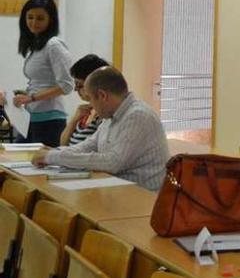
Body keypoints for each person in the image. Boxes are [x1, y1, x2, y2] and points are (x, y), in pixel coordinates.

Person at [31, 67, 170, 191]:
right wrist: (54, 153)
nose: (91, 105)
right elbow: (88, 145)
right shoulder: (112, 115)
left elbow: (112, 162)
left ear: (103, 96)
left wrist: (54, 157)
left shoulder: (138, 116)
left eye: (91, 99)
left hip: (142, 198)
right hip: (118, 190)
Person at [0, 0, 73, 146]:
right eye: (30, 17)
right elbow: (41, 84)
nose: (33, 22)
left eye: (40, 18)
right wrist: (17, 95)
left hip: (49, 121)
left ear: (50, 20)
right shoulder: (36, 45)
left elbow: (67, 85)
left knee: (38, 166)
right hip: (31, 117)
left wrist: (31, 98)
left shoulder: (54, 45)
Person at [59, 54, 110, 146]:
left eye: (79, 85)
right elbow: (63, 144)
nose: (75, 89)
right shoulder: (85, 111)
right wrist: (74, 120)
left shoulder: (103, 117)